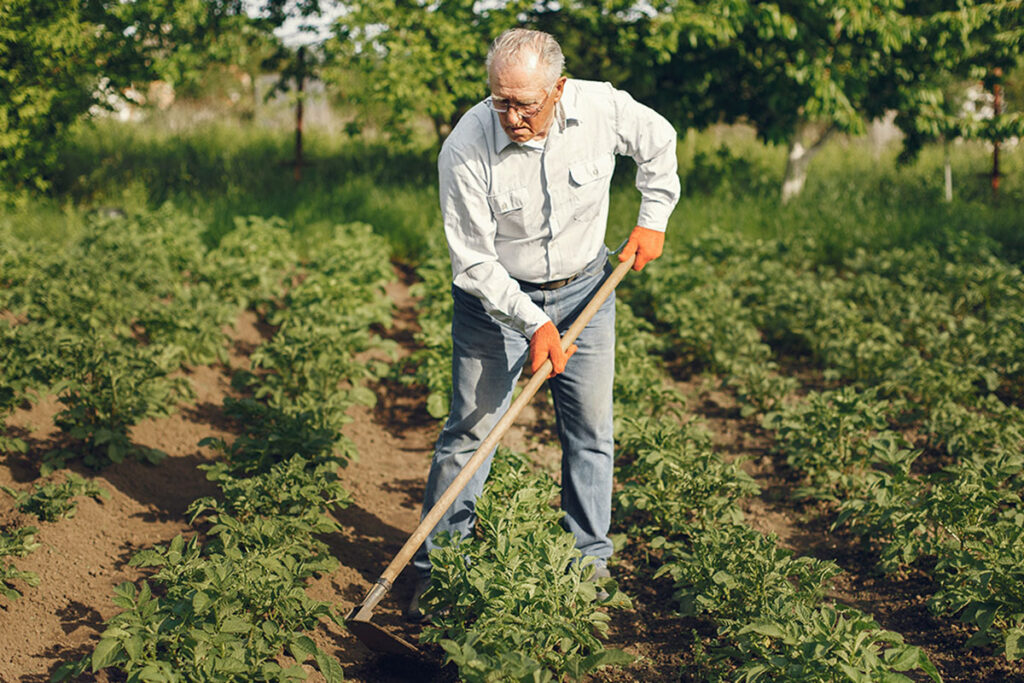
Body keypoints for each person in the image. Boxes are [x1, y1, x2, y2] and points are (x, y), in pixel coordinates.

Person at [406, 27, 680, 621]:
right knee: (470, 433)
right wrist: (534, 324)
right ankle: (440, 571)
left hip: (588, 290)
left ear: (557, 88)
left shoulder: (601, 107)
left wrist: (653, 217)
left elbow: (659, 142)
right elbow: (475, 260)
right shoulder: (465, 146)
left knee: (590, 433)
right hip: (495, 306)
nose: (511, 116)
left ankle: (589, 567)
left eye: (525, 103)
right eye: (500, 100)